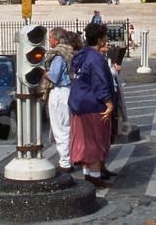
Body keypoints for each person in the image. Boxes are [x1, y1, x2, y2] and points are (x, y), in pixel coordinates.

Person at [69, 23, 116, 188]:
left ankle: (87, 174)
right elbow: (100, 82)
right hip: (93, 104)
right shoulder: (96, 58)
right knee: (95, 140)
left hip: (78, 103)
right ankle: (94, 177)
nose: (106, 39)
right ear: (100, 40)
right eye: (105, 37)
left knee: (84, 140)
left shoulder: (81, 54)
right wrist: (109, 103)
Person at [45, 27, 76, 173]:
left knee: (60, 128)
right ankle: (70, 157)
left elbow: (54, 77)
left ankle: (65, 162)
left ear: (56, 40)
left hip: (59, 92)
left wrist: (43, 73)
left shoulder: (58, 55)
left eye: (50, 38)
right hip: (69, 91)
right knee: (68, 126)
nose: (49, 40)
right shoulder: (69, 52)